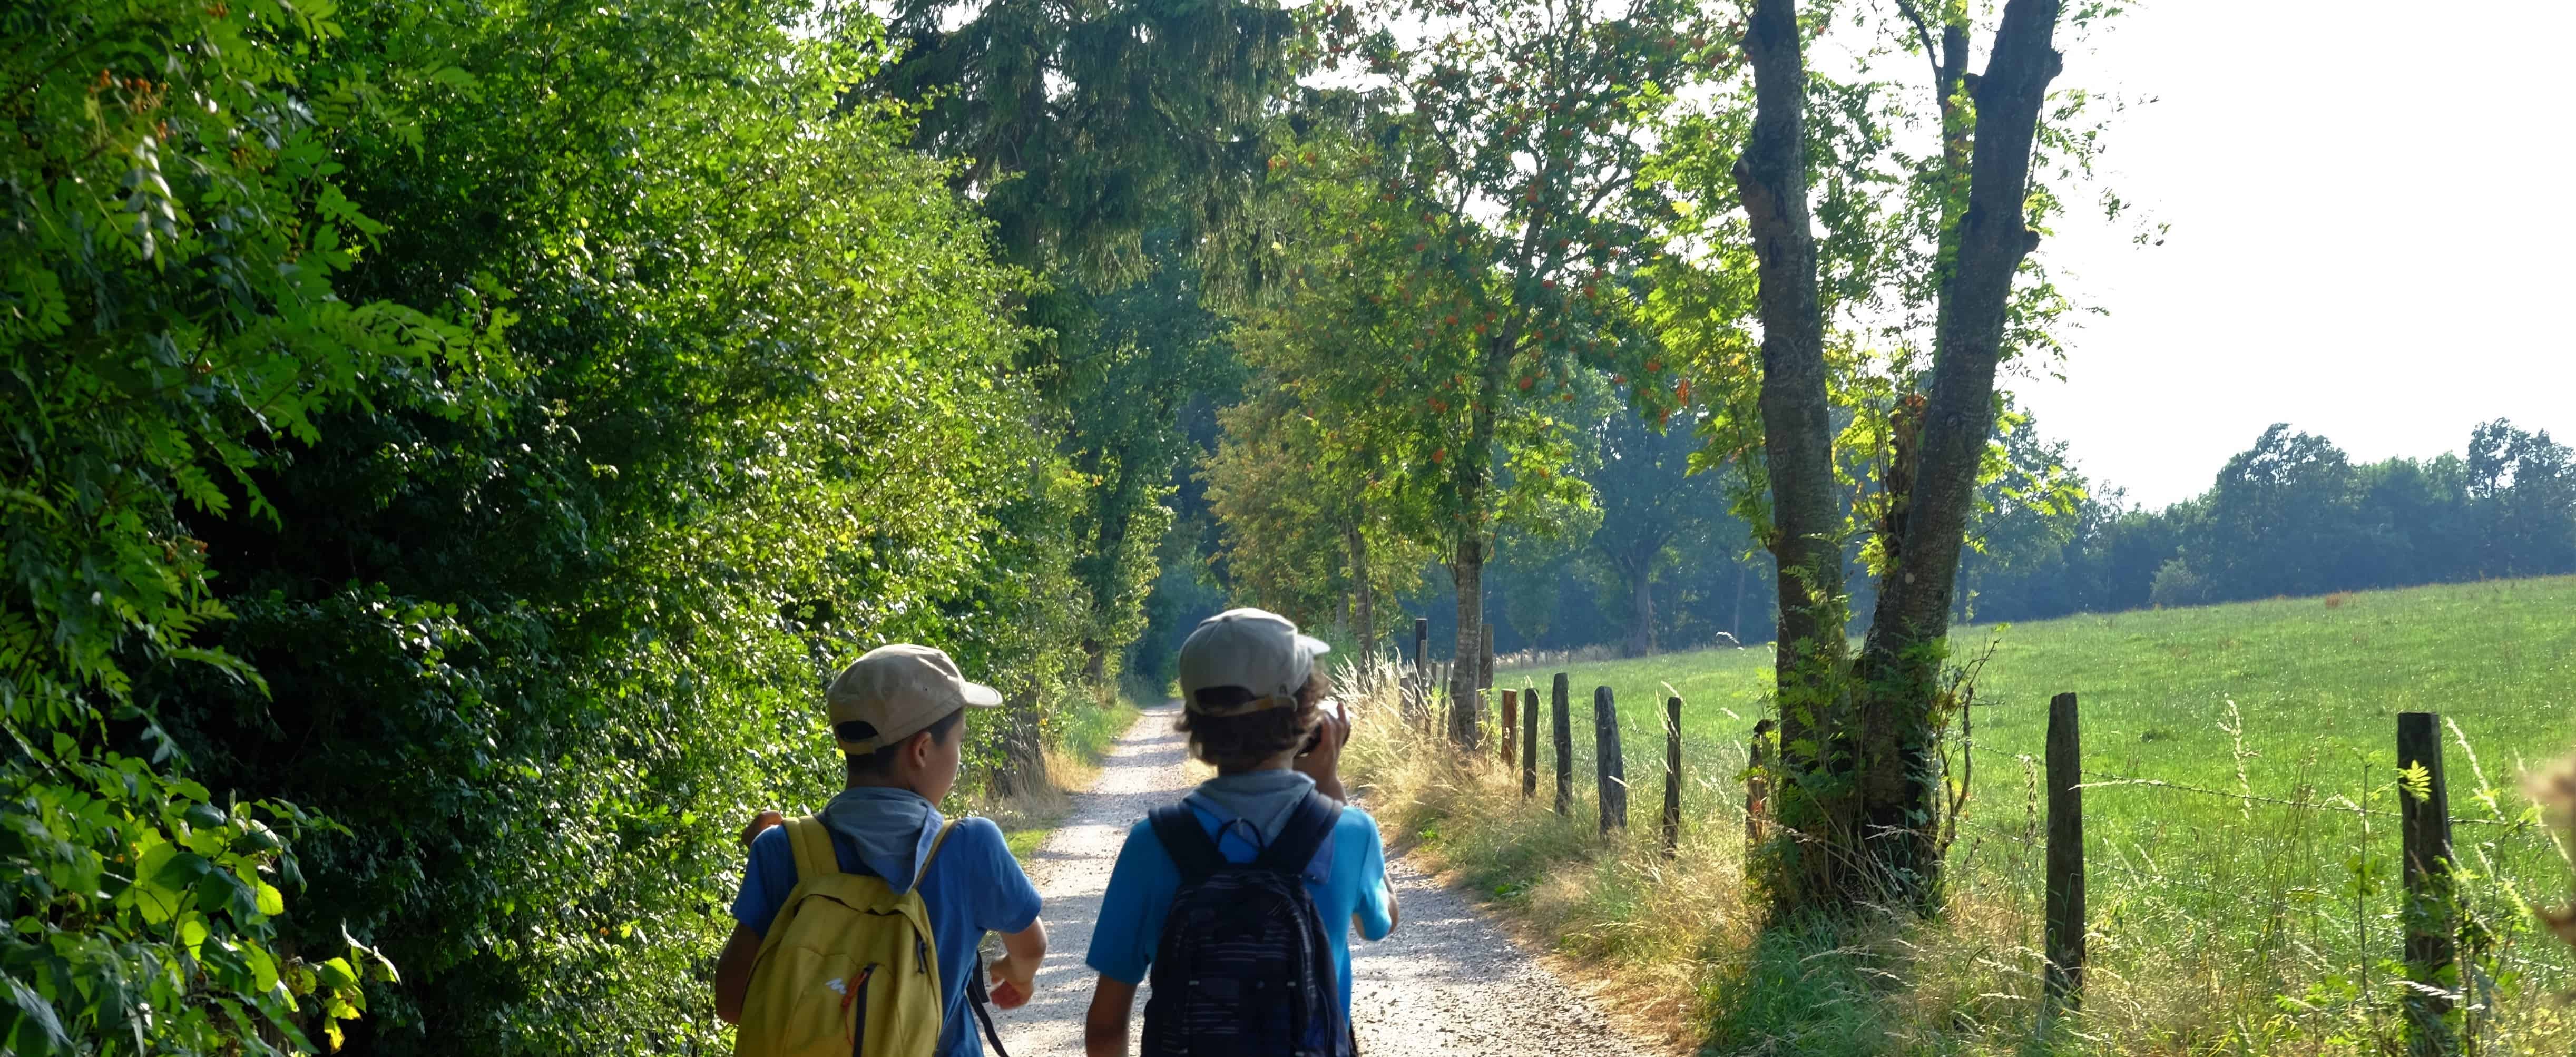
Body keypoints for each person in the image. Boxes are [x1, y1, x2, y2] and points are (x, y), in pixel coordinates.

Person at [1082, 609, 1400, 1057]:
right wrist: (1330, 789)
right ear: (1305, 715)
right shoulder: (1349, 832)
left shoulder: (1151, 843)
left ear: (1193, 722)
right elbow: (1380, 922)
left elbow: (1105, 1024)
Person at [713, 643, 1048, 1056]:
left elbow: (731, 1002)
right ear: (922, 750)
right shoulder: (971, 845)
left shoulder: (782, 848)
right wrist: (1017, 975)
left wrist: (769, 857)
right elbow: (1030, 947)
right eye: (957, 743)